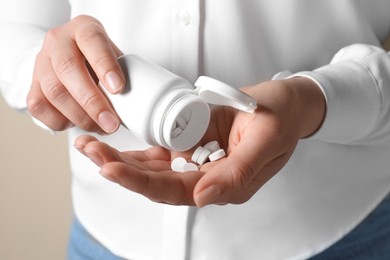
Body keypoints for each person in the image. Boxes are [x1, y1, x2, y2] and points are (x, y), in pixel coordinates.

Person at [1, 0, 390, 259]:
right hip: (107, 239)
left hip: (342, 235)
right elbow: (15, 25)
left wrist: (313, 101)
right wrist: (44, 73)